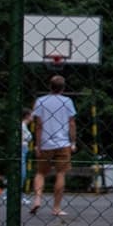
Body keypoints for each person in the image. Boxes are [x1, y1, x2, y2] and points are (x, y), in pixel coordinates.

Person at [30, 75, 78, 216]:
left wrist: (38, 145)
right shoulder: (67, 101)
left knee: (40, 173)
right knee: (60, 173)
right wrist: (73, 141)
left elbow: (38, 125)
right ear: (63, 87)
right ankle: (56, 207)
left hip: (45, 142)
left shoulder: (41, 101)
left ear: (49, 86)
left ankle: (37, 199)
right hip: (62, 142)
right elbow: (71, 123)